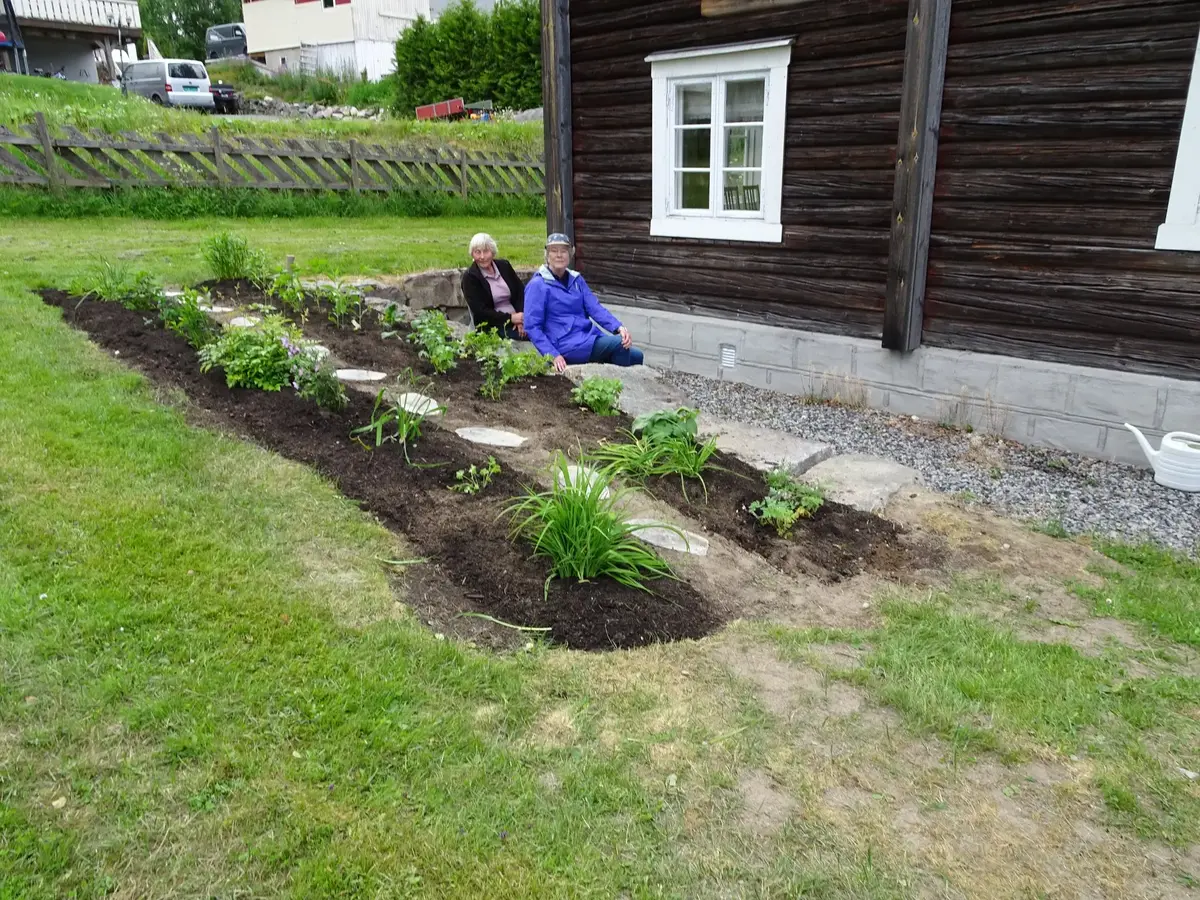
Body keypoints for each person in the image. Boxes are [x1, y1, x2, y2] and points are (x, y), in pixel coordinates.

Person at [523, 233, 644, 373]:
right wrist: (553, 355)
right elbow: (532, 327)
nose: (559, 255)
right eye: (554, 251)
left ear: (570, 254)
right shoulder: (538, 285)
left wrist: (618, 328)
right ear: (547, 255)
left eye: (563, 251)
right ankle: (619, 387)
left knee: (636, 355)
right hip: (565, 344)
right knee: (619, 344)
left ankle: (614, 379)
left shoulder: (576, 280)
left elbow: (595, 308)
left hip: (586, 337)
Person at [460, 232, 527, 340]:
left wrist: (521, 318)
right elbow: (481, 312)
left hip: (518, 317)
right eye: (477, 252)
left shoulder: (504, 266)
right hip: (493, 325)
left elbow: (520, 292)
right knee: (531, 337)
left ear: (493, 252)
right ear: (472, 254)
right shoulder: (470, 278)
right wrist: (511, 318)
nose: (482, 257)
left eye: (486, 251)